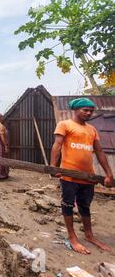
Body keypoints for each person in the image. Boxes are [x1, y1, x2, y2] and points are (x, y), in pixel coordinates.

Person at [51, 98, 113, 255]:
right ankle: (72, 237)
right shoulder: (65, 125)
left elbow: (99, 152)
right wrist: (53, 167)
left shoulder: (92, 129)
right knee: (68, 204)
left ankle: (89, 235)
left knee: (85, 205)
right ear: (76, 110)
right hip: (69, 175)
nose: (89, 112)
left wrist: (108, 173)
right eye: (85, 110)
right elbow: (57, 145)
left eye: (91, 110)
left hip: (88, 176)